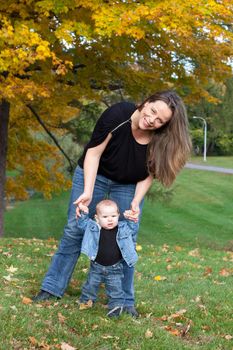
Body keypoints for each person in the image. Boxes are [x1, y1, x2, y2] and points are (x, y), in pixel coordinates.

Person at [32, 90, 192, 317]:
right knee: (74, 230)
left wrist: (136, 202)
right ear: (146, 101)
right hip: (94, 175)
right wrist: (87, 191)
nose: (152, 120)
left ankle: (125, 301)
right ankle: (51, 288)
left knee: (126, 237)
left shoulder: (159, 138)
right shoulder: (117, 115)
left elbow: (149, 173)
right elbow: (93, 154)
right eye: (153, 111)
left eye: (160, 120)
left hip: (127, 185)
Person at [77, 199, 139, 318]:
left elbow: (133, 228)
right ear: (97, 218)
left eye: (113, 216)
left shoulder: (123, 228)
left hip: (115, 267)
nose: (110, 219)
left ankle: (116, 307)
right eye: (105, 216)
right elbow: (82, 224)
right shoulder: (94, 227)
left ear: (118, 216)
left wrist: (131, 219)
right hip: (96, 266)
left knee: (115, 289)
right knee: (90, 285)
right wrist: (83, 212)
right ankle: (86, 302)